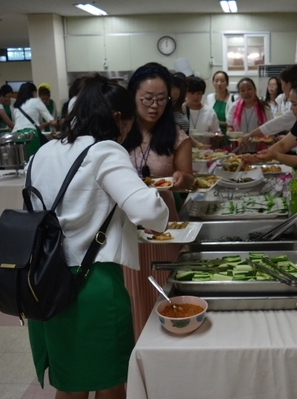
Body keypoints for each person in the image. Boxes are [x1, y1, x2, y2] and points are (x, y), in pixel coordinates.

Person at [26, 74, 170, 399]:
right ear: (119, 118)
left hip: (45, 281)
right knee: (111, 383)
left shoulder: (45, 151)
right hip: (92, 288)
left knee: (70, 385)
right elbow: (150, 213)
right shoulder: (105, 151)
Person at [122, 62, 195, 337]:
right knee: (131, 294)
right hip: (126, 224)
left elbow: (189, 177)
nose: (155, 106)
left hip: (163, 225)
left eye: (162, 100)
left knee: (162, 291)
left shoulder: (177, 136)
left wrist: (181, 178)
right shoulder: (117, 134)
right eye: (147, 99)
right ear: (133, 97)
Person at [240, 64, 297, 144]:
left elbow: (278, 122)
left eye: (282, 84)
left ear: (289, 84)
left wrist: (250, 134)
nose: (281, 88)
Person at [227, 77, 273, 153]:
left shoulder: (264, 108)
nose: (246, 92)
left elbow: (271, 128)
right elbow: (229, 127)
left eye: (249, 89)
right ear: (239, 93)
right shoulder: (234, 107)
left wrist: (269, 139)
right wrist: (231, 133)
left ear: (255, 90)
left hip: (259, 150)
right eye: (242, 90)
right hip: (239, 150)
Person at [12, 82, 56, 157]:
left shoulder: (17, 105)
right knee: (33, 160)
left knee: (22, 161)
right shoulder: (36, 101)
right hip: (30, 135)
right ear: (34, 92)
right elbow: (52, 121)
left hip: (15, 135)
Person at [183, 76, 221, 148]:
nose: (195, 97)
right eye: (192, 93)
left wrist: (217, 136)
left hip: (204, 154)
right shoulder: (181, 110)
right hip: (184, 152)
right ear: (185, 93)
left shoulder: (210, 112)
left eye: (198, 93)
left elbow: (217, 132)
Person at [204, 70, 237, 135]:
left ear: (227, 83)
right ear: (213, 83)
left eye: (222, 81)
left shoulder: (234, 99)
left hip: (229, 135)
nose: (219, 84)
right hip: (213, 136)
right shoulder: (209, 97)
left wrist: (220, 123)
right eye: (216, 81)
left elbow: (236, 120)